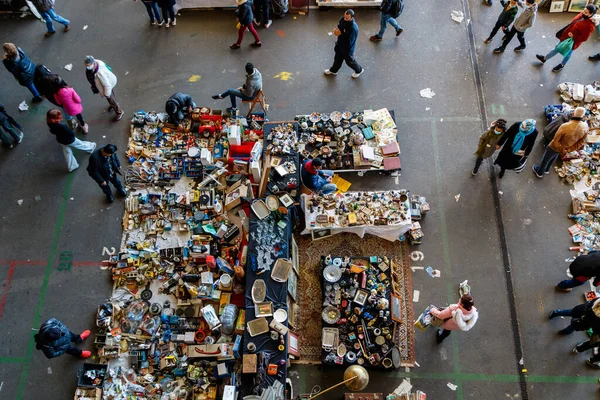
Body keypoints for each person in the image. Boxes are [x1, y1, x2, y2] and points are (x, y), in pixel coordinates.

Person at [536, 4, 597, 72]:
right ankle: (545, 58)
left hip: (572, 42)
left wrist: (573, 36)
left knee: (567, 53)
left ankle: (561, 64)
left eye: (586, 12)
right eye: (583, 10)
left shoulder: (589, 26)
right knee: (557, 48)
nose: (583, 13)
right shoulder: (582, 15)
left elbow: (584, 38)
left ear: (590, 14)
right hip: (565, 36)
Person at [532, 106, 587, 178]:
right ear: (583, 116)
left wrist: (561, 149)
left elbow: (555, 140)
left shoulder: (565, 126)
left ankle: (540, 172)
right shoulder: (585, 127)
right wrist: (567, 150)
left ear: (573, 114)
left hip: (555, 147)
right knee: (554, 156)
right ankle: (547, 169)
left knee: (546, 158)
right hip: (566, 148)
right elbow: (580, 143)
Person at [325, 10, 364, 78]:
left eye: (347, 18)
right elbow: (340, 25)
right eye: (344, 17)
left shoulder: (353, 28)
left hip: (347, 49)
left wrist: (340, 34)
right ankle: (334, 70)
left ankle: (359, 70)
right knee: (337, 59)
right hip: (340, 45)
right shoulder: (343, 19)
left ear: (351, 18)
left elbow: (349, 41)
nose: (345, 19)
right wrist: (337, 30)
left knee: (350, 62)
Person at [84, 56, 124, 121]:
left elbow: (107, 85)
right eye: (86, 65)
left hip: (107, 86)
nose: (87, 67)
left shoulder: (100, 73)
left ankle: (119, 111)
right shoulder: (97, 62)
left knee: (111, 98)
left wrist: (107, 95)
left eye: (88, 65)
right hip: (106, 83)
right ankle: (113, 105)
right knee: (111, 97)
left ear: (93, 63)